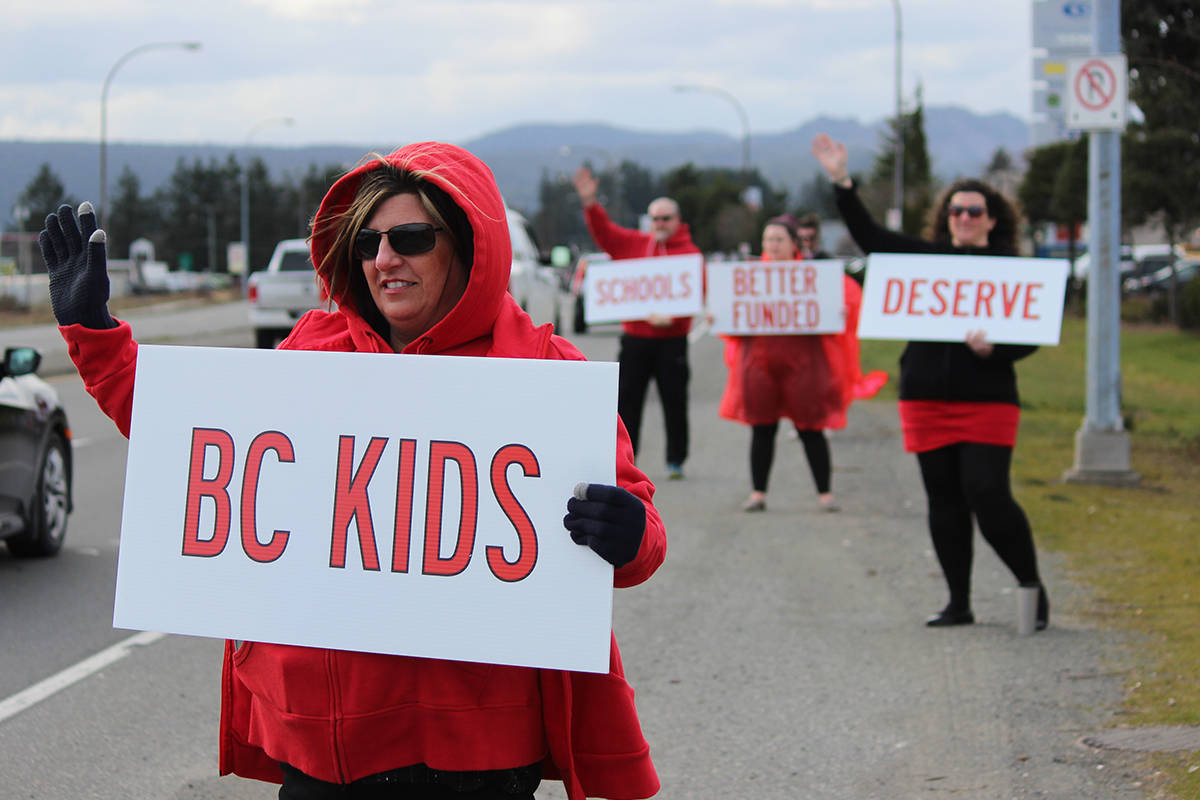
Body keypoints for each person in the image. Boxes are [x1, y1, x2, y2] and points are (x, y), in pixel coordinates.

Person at [39, 142, 667, 800]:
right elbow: (193, 439)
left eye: (411, 238)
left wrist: (626, 534)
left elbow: (641, 540)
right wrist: (92, 327)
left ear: (469, 246)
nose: (385, 259)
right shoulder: (313, 350)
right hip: (324, 754)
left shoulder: (542, 369)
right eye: (367, 244)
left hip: (477, 757)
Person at [811, 132, 1049, 631]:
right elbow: (869, 235)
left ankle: (1030, 585)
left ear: (992, 218)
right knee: (943, 499)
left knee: (987, 492)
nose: (964, 218)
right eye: (956, 210)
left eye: (974, 211)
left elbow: (1031, 336)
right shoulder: (920, 260)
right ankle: (958, 602)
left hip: (988, 400)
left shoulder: (1014, 271)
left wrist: (995, 349)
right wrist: (842, 181)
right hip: (925, 399)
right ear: (947, 217)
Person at [718, 215, 860, 513]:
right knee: (761, 428)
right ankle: (758, 493)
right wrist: (719, 318)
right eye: (768, 239)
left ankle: (825, 493)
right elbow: (731, 321)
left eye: (780, 239)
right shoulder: (747, 279)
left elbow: (841, 309)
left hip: (803, 365)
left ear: (794, 244)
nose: (773, 245)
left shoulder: (814, 278)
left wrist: (839, 314)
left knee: (811, 428)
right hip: (758, 363)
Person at [572, 165, 700, 480]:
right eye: (655, 218)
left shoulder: (689, 252)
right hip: (636, 340)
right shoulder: (635, 244)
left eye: (666, 218)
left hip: (672, 341)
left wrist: (674, 319)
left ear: (678, 221)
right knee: (627, 404)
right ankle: (626, 462)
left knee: (675, 402)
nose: (659, 224)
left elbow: (695, 291)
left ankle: (675, 460)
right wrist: (590, 204)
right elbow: (605, 233)